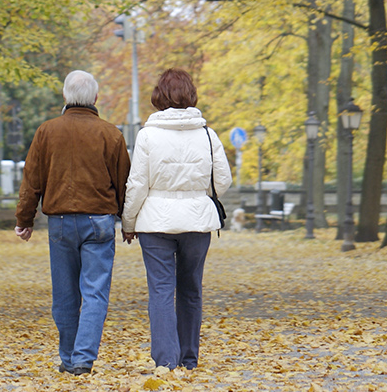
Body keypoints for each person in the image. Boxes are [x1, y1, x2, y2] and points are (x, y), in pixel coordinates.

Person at [15, 70, 130, 375]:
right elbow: (124, 183)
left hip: (61, 222)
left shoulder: (46, 132)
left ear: (64, 97)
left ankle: (68, 357)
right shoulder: (111, 134)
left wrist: (24, 219)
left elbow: (32, 180)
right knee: (95, 293)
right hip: (100, 222)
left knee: (65, 293)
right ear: (95, 98)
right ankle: (82, 359)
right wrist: (127, 222)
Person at [121, 68, 231, 372]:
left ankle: (166, 360)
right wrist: (199, 192)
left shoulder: (147, 136)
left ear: (159, 95)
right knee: (191, 289)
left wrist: (128, 223)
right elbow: (223, 181)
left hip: (156, 224)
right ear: (191, 94)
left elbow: (137, 185)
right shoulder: (208, 135)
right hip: (197, 223)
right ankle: (189, 358)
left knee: (160, 290)